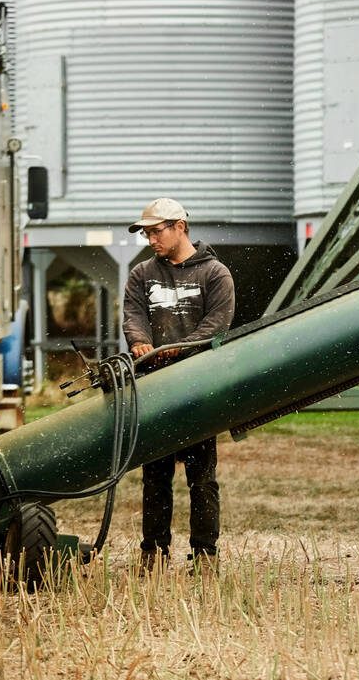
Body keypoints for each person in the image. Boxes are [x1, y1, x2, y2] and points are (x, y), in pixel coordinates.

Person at [122, 197, 235, 574]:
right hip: (154, 388)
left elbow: (217, 324)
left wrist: (175, 350)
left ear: (180, 227)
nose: (151, 239)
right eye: (147, 233)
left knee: (202, 479)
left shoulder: (215, 274)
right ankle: (152, 554)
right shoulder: (141, 274)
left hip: (197, 388)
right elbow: (133, 315)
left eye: (156, 231)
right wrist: (140, 342)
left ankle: (205, 556)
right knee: (155, 477)